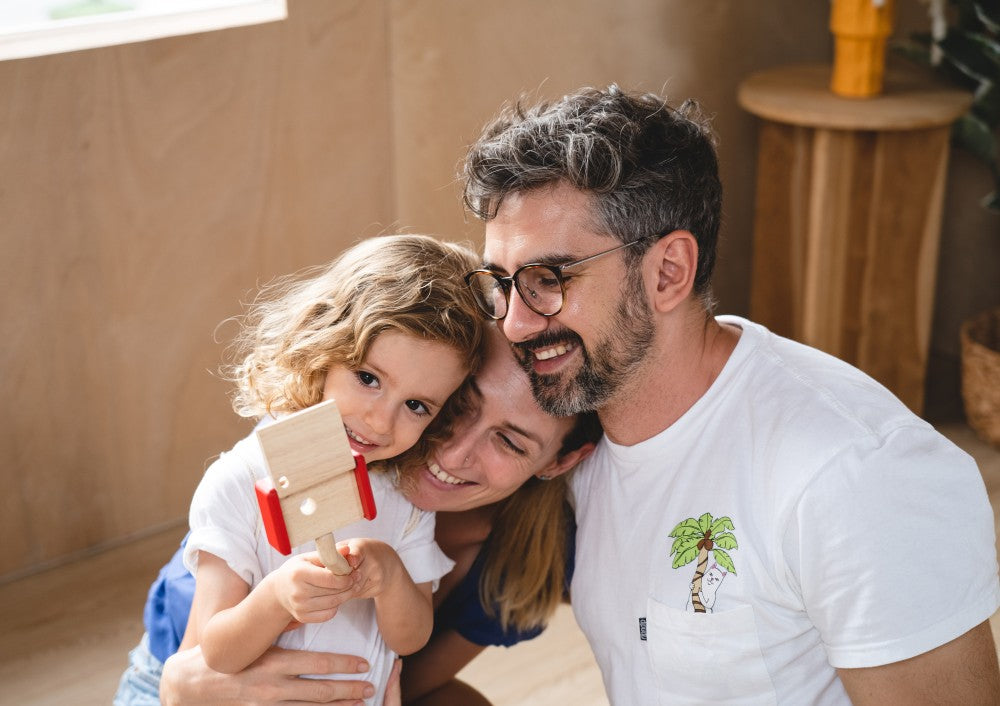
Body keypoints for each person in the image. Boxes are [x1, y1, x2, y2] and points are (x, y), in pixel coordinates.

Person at [460, 84, 1000, 704]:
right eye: (503, 282)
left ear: (669, 272)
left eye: (549, 279)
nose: (515, 324)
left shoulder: (855, 476)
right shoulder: (572, 434)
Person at [121, 324, 600, 705]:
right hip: (182, 670)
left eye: (509, 442)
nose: (454, 454)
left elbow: (402, 678)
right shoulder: (327, 452)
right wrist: (180, 687)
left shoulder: (520, 561)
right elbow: (199, 668)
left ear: (559, 462)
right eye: (458, 406)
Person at [115, 233, 486, 706]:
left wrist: (392, 575)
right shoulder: (238, 481)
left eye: (416, 405)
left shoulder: (404, 496)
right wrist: (274, 599)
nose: (380, 421)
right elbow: (215, 654)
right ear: (323, 347)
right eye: (368, 379)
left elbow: (410, 640)